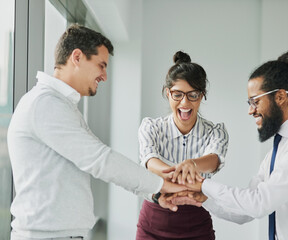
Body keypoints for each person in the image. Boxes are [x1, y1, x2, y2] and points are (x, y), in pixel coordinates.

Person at [7, 24, 184, 240]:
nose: (104, 76)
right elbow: (100, 160)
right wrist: (159, 185)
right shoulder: (46, 104)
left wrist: (155, 192)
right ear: (77, 57)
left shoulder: (62, 106)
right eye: (101, 65)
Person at [171, 49, 288, 240]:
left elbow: (260, 203)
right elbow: (246, 211)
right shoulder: (280, 149)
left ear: (280, 97)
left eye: (255, 101)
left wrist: (203, 184)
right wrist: (204, 200)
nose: (250, 111)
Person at [135, 51, 229, 240]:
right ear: (167, 93)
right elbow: (150, 161)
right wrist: (180, 176)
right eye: (177, 94)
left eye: (192, 95)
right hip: (154, 220)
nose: (185, 102)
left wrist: (192, 164)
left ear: (202, 96)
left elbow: (214, 160)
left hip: (196, 222)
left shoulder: (216, 131)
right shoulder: (150, 127)